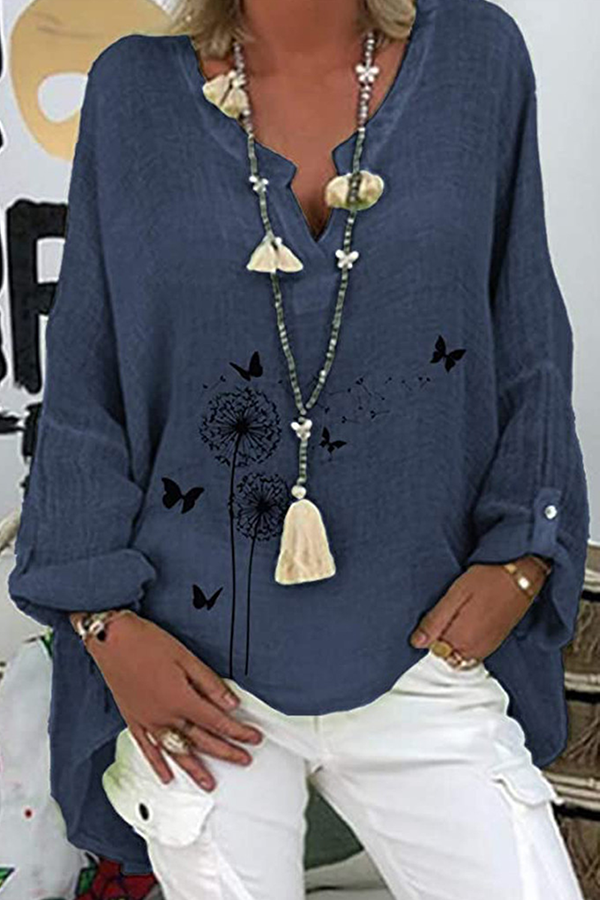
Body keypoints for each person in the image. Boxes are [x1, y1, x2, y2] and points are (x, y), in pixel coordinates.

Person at [8, 0, 590, 896]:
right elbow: (89, 378)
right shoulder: (134, 92)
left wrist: (525, 553)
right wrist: (106, 627)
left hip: (423, 640)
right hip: (192, 664)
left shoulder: (477, 59)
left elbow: (527, 333)